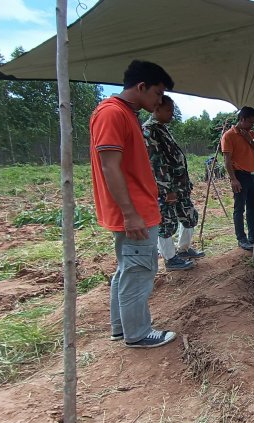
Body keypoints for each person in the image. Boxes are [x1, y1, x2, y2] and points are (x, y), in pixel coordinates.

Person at [90, 60, 176, 348]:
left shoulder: (124, 114)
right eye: (157, 94)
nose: (159, 101)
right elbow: (109, 167)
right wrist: (131, 213)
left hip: (136, 208)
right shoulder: (112, 114)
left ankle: (120, 327)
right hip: (134, 211)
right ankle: (138, 332)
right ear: (141, 87)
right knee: (139, 270)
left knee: (128, 267)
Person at [143, 94, 204, 271]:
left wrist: (185, 183)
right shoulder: (149, 131)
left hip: (180, 187)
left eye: (172, 110)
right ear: (157, 109)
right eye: (168, 110)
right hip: (167, 188)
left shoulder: (162, 128)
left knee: (190, 216)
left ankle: (183, 249)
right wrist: (166, 190)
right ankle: (170, 258)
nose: (172, 113)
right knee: (166, 223)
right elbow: (157, 164)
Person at [221, 107, 254, 251]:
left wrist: (250, 139)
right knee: (239, 208)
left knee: (252, 208)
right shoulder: (228, 136)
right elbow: (227, 161)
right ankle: (241, 239)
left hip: (253, 175)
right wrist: (233, 179)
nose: (252, 125)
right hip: (240, 176)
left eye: (253, 123)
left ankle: (253, 237)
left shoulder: (252, 134)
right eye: (250, 122)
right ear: (241, 119)